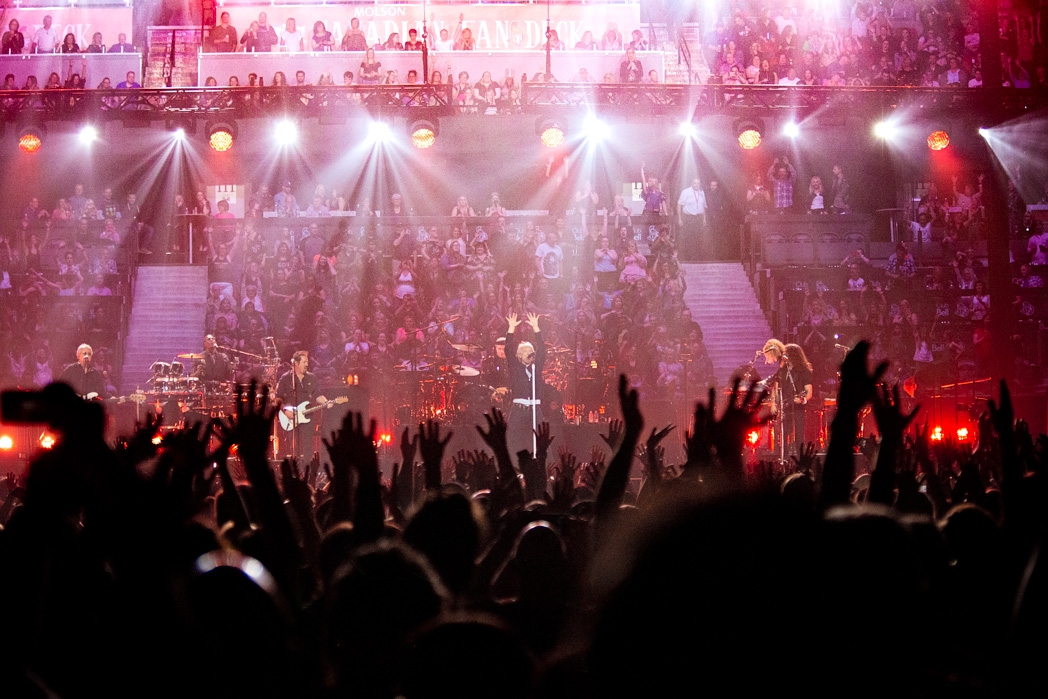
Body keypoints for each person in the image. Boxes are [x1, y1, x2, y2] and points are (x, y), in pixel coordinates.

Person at [275, 350, 328, 463]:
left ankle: (308, 467)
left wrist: (326, 402)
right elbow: (278, 398)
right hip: (291, 417)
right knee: (294, 447)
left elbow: (317, 395)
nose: (307, 364)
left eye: (307, 362)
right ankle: (296, 468)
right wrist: (285, 411)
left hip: (307, 415)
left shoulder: (312, 377)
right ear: (296, 363)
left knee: (308, 446)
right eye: (304, 362)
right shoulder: (286, 378)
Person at [505, 312, 545, 454]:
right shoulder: (515, 367)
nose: (528, 353)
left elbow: (542, 349)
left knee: (542, 438)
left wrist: (536, 328)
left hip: (535, 408)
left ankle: (545, 464)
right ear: (519, 355)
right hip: (519, 409)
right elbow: (507, 350)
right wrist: (511, 328)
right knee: (511, 438)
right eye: (525, 351)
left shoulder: (536, 366)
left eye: (530, 350)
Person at [677, 178, 707, 261]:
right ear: (692, 183)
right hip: (689, 218)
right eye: (695, 183)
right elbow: (679, 204)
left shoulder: (701, 192)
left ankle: (698, 257)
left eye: (698, 183)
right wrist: (679, 218)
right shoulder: (686, 192)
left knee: (699, 237)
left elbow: (703, 206)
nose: (696, 185)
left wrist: (704, 218)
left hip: (699, 218)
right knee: (690, 237)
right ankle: (689, 257)